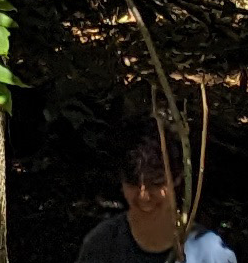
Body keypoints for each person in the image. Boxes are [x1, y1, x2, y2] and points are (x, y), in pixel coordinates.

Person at [74, 108, 234, 263]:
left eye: (156, 183)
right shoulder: (101, 245)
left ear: (178, 177)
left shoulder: (210, 254)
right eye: (133, 182)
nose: (144, 196)